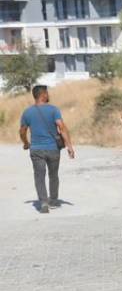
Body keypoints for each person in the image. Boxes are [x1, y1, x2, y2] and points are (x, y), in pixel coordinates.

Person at [19, 84, 75, 213]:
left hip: (36, 149)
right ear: (43, 94)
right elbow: (62, 127)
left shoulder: (27, 112)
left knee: (39, 176)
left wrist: (26, 143)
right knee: (53, 175)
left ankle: (43, 202)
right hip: (53, 149)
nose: (48, 95)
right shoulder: (53, 110)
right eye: (47, 93)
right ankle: (54, 201)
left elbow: (22, 131)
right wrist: (69, 146)